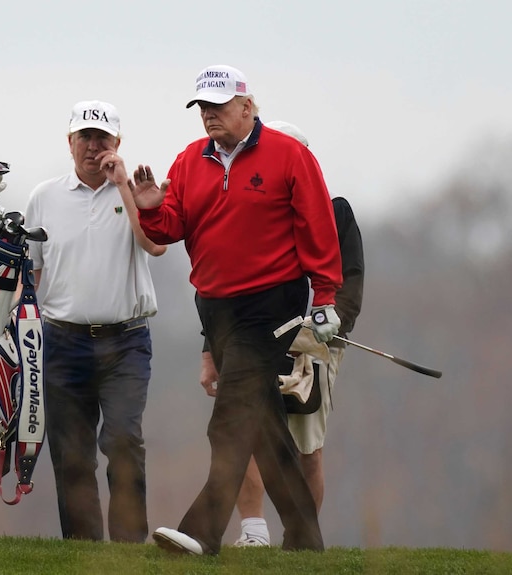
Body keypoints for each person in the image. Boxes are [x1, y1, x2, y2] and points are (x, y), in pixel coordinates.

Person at [130, 65, 342, 555]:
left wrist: (326, 295)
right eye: (202, 107)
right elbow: (170, 227)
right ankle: (305, 540)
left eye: (218, 106)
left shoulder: (290, 156)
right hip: (216, 310)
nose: (209, 115)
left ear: (247, 107)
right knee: (263, 422)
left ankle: (201, 531)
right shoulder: (189, 160)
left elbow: (317, 226)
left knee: (229, 419)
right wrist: (148, 208)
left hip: (272, 304)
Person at [196, 119, 366, 547]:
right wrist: (210, 349)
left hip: (315, 345)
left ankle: (301, 538)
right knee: (249, 428)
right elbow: (227, 289)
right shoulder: (249, 212)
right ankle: (253, 531)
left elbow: (347, 282)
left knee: (307, 447)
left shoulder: (335, 210)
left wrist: (322, 329)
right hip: (255, 338)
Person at [24, 100, 166, 543]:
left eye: (102, 138)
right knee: (72, 454)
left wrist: (123, 186)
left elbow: (154, 246)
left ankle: (127, 546)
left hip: (125, 342)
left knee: (123, 440)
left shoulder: (135, 193)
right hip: (62, 342)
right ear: (69, 143)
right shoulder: (44, 197)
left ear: (117, 144)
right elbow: (32, 274)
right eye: (84, 137)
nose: (93, 146)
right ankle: (83, 551)